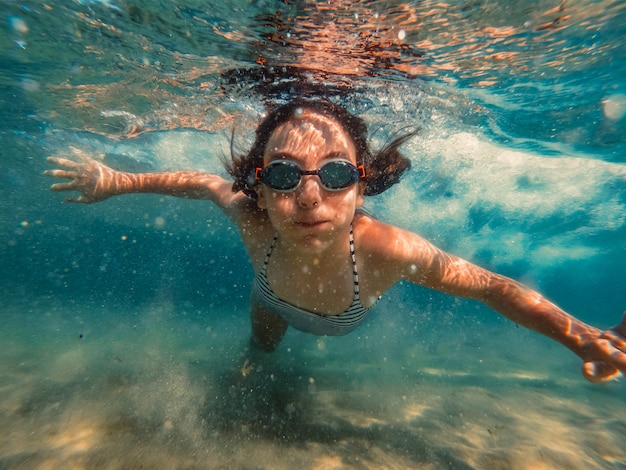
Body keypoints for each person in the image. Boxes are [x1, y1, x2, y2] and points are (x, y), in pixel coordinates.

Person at [46, 98, 626, 383]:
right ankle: (254, 361)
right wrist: (114, 181)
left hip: (346, 312)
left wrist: (581, 340)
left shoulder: (387, 250)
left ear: (361, 182)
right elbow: (198, 183)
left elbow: (491, 287)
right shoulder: (249, 216)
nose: (307, 197)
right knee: (261, 350)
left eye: (336, 173)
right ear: (259, 185)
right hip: (269, 299)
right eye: (282, 174)